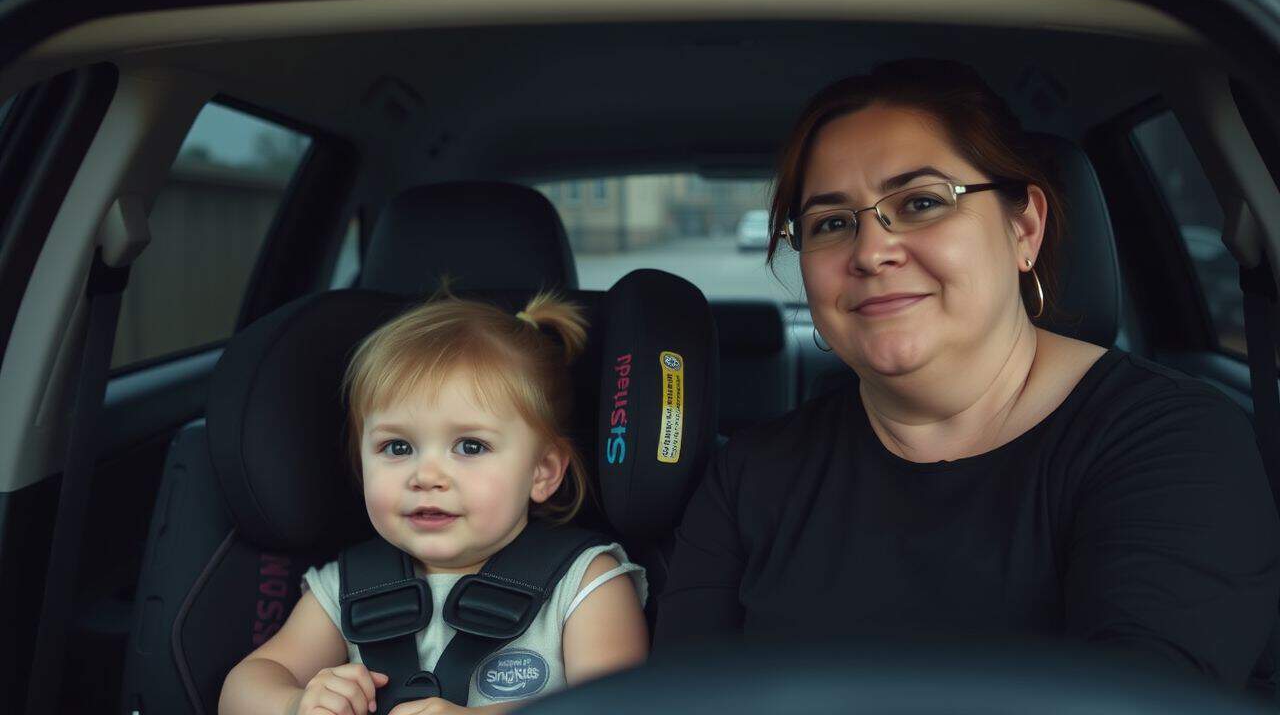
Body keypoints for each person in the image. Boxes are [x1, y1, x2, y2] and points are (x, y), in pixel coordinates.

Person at [653, 58, 1280, 687]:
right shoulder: (746, 481)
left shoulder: (1173, 444)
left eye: (922, 202)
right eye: (832, 223)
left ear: (1024, 229)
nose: (871, 252)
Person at [220, 291, 648, 715]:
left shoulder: (585, 583)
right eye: (398, 447)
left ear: (543, 471)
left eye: (470, 446)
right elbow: (243, 688)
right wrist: (296, 703)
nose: (426, 476)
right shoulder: (347, 587)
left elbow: (623, 706)